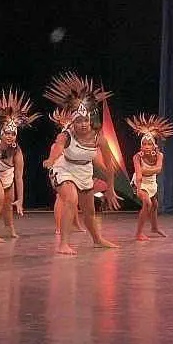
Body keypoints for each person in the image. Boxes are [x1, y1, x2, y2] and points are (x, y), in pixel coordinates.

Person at [42, 72, 121, 255]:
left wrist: (111, 189)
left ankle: (98, 239)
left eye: (85, 120)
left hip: (84, 170)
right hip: (63, 168)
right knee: (70, 198)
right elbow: (58, 148)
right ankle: (64, 243)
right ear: (73, 122)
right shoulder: (66, 135)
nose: (83, 124)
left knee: (89, 210)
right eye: (79, 121)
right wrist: (51, 160)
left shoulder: (99, 139)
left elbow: (109, 166)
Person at [0, 89, 41, 242]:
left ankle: (9, 228)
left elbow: (19, 177)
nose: (10, 136)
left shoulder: (17, 151)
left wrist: (20, 200)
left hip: (8, 179)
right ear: (1, 134)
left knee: (8, 204)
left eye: (13, 134)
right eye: (7, 133)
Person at [126, 113, 173, 240]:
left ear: (154, 146)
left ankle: (154, 227)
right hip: (139, 183)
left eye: (149, 144)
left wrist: (145, 170)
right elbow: (138, 174)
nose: (146, 147)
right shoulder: (137, 157)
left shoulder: (159, 155)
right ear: (141, 146)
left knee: (154, 204)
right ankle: (138, 233)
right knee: (147, 203)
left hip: (152, 183)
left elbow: (158, 169)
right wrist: (138, 189)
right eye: (144, 144)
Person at [48, 109, 85, 235]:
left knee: (74, 198)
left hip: (72, 172)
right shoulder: (57, 144)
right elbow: (53, 161)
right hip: (59, 172)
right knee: (61, 197)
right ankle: (58, 227)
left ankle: (76, 224)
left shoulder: (76, 144)